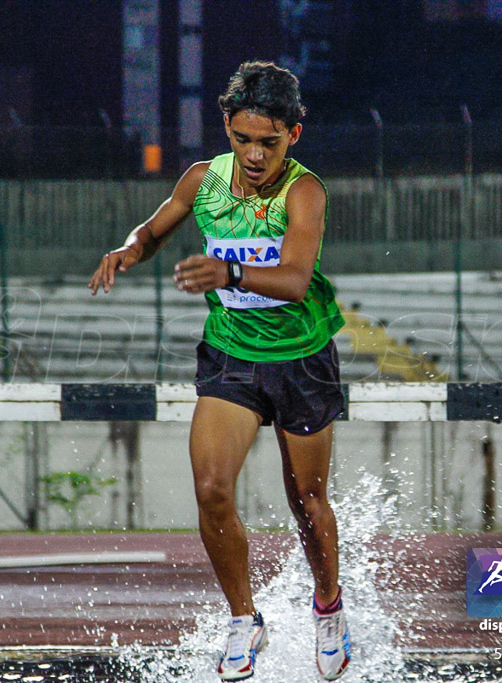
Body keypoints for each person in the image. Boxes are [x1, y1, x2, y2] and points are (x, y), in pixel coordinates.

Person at [89, 61, 351, 681]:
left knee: (306, 500)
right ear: (226, 130)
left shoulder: (304, 191)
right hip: (232, 356)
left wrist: (228, 273)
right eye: (243, 139)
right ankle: (243, 619)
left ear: (294, 135)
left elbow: (292, 280)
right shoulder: (202, 179)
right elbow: (153, 231)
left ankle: (329, 605)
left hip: (302, 361)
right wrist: (130, 250)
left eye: (269, 141)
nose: (255, 155)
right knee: (210, 488)